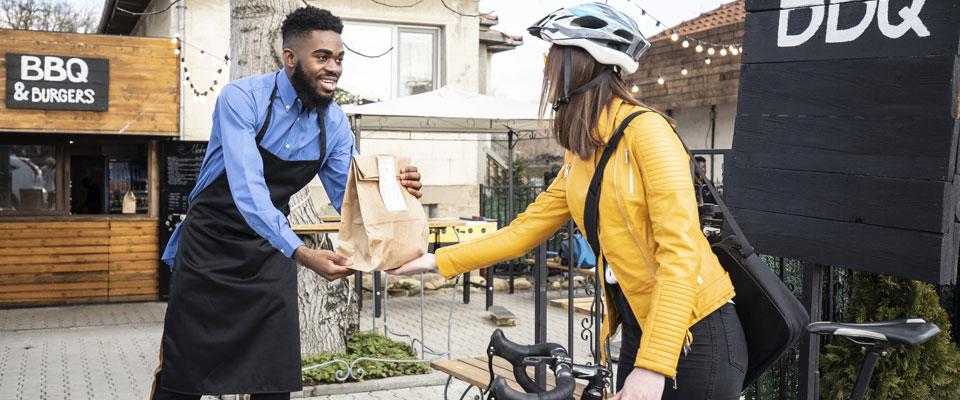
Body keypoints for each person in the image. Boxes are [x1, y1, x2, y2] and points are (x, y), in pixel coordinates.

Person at [391, 3, 746, 399]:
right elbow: (525, 229)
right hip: (642, 331)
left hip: (696, 334)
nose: (546, 71)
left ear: (582, 64)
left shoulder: (648, 133)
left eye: (552, 58)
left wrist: (653, 367)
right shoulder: (583, 153)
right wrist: (435, 260)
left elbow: (679, 253)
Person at [151, 7, 423, 400]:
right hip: (211, 247)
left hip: (267, 254)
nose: (334, 68)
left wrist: (397, 195)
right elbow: (248, 188)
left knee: (273, 379)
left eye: (339, 58)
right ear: (290, 58)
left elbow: (350, 198)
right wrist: (300, 251)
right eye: (323, 57)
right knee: (185, 375)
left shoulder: (334, 124)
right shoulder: (242, 99)